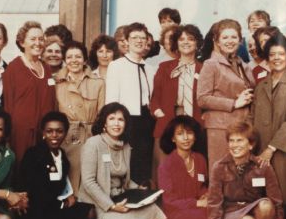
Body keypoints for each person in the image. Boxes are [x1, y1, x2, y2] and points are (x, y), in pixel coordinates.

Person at [78, 103, 166, 219]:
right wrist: (111, 206)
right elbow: (88, 182)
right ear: (104, 123)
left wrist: (138, 188)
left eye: (121, 119)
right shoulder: (93, 144)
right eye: (111, 119)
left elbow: (124, 180)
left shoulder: (125, 146)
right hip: (97, 204)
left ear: (126, 124)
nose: (116, 123)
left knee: (153, 210)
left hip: (120, 198)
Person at [207, 121, 284, 219]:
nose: (234, 145)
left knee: (266, 205)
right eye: (231, 140)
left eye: (240, 140)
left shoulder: (263, 167)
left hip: (254, 211)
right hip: (231, 214)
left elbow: (277, 202)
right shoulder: (219, 167)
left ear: (251, 145)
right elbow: (214, 206)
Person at [19, 112, 97, 219]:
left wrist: (68, 197)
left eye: (59, 131)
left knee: (90, 212)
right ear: (43, 132)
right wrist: (64, 203)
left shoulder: (62, 156)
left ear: (65, 133)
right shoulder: (33, 154)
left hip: (54, 210)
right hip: (37, 212)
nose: (54, 135)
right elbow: (35, 193)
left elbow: (60, 186)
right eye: (49, 131)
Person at [197, 19, 255, 171]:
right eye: (225, 37)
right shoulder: (211, 64)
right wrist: (234, 103)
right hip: (220, 128)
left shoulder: (242, 64)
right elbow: (202, 99)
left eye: (234, 37)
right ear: (217, 41)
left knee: (240, 172)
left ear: (240, 39)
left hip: (241, 126)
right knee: (222, 172)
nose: (230, 41)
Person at [158, 116, 216, 219]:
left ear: (195, 136)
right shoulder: (166, 166)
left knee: (215, 212)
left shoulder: (200, 159)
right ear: (172, 139)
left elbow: (202, 186)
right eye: (180, 133)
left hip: (197, 206)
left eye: (189, 133)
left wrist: (206, 195)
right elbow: (168, 201)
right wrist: (196, 203)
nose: (185, 138)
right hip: (175, 212)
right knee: (197, 216)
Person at [251, 34, 286, 205]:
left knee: (283, 191)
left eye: (281, 54)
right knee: (259, 191)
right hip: (259, 148)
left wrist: (271, 148)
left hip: (280, 150)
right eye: (272, 54)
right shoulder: (261, 85)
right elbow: (252, 116)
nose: (276, 58)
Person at [150, 24, 204, 183]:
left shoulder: (204, 69)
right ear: (176, 43)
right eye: (181, 39)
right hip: (168, 123)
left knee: (191, 172)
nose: (186, 42)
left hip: (194, 124)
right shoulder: (165, 67)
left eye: (191, 39)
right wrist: (160, 114)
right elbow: (155, 98)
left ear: (197, 43)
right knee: (165, 172)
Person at [105, 23, 156, 186]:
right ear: (126, 41)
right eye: (135, 38)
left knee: (144, 162)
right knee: (127, 162)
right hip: (127, 120)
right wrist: (114, 123)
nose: (139, 41)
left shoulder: (151, 68)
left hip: (147, 119)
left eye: (143, 38)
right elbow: (111, 100)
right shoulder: (116, 66)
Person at [3, 21, 57, 172]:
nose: (38, 43)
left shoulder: (46, 68)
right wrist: (8, 137)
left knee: (43, 171)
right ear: (22, 42)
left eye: (41, 39)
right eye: (33, 39)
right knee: (22, 170)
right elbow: (8, 104)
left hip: (44, 132)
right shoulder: (13, 68)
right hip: (21, 134)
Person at [55, 41, 105, 195]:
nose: (74, 60)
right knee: (68, 181)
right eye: (69, 57)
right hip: (67, 138)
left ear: (85, 60)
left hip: (90, 135)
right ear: (64, 60)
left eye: (78, 56)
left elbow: (102, 114)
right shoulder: (56, 83)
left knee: (89, 180)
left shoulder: (98, 83)